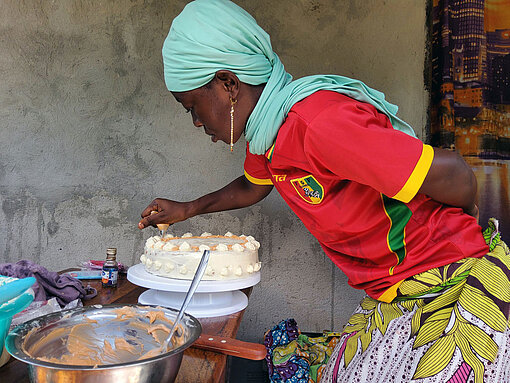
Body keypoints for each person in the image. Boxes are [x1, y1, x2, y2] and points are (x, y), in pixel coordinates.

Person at [138, 1, 509, 382]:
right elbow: (252, 187)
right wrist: (187, 209)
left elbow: (455, 173)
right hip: (393, 288)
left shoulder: (316, 123)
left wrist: (465, 226)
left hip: (446, 277)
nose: (198, 122)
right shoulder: (268, 135)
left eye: (192, 108)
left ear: (228, 84)